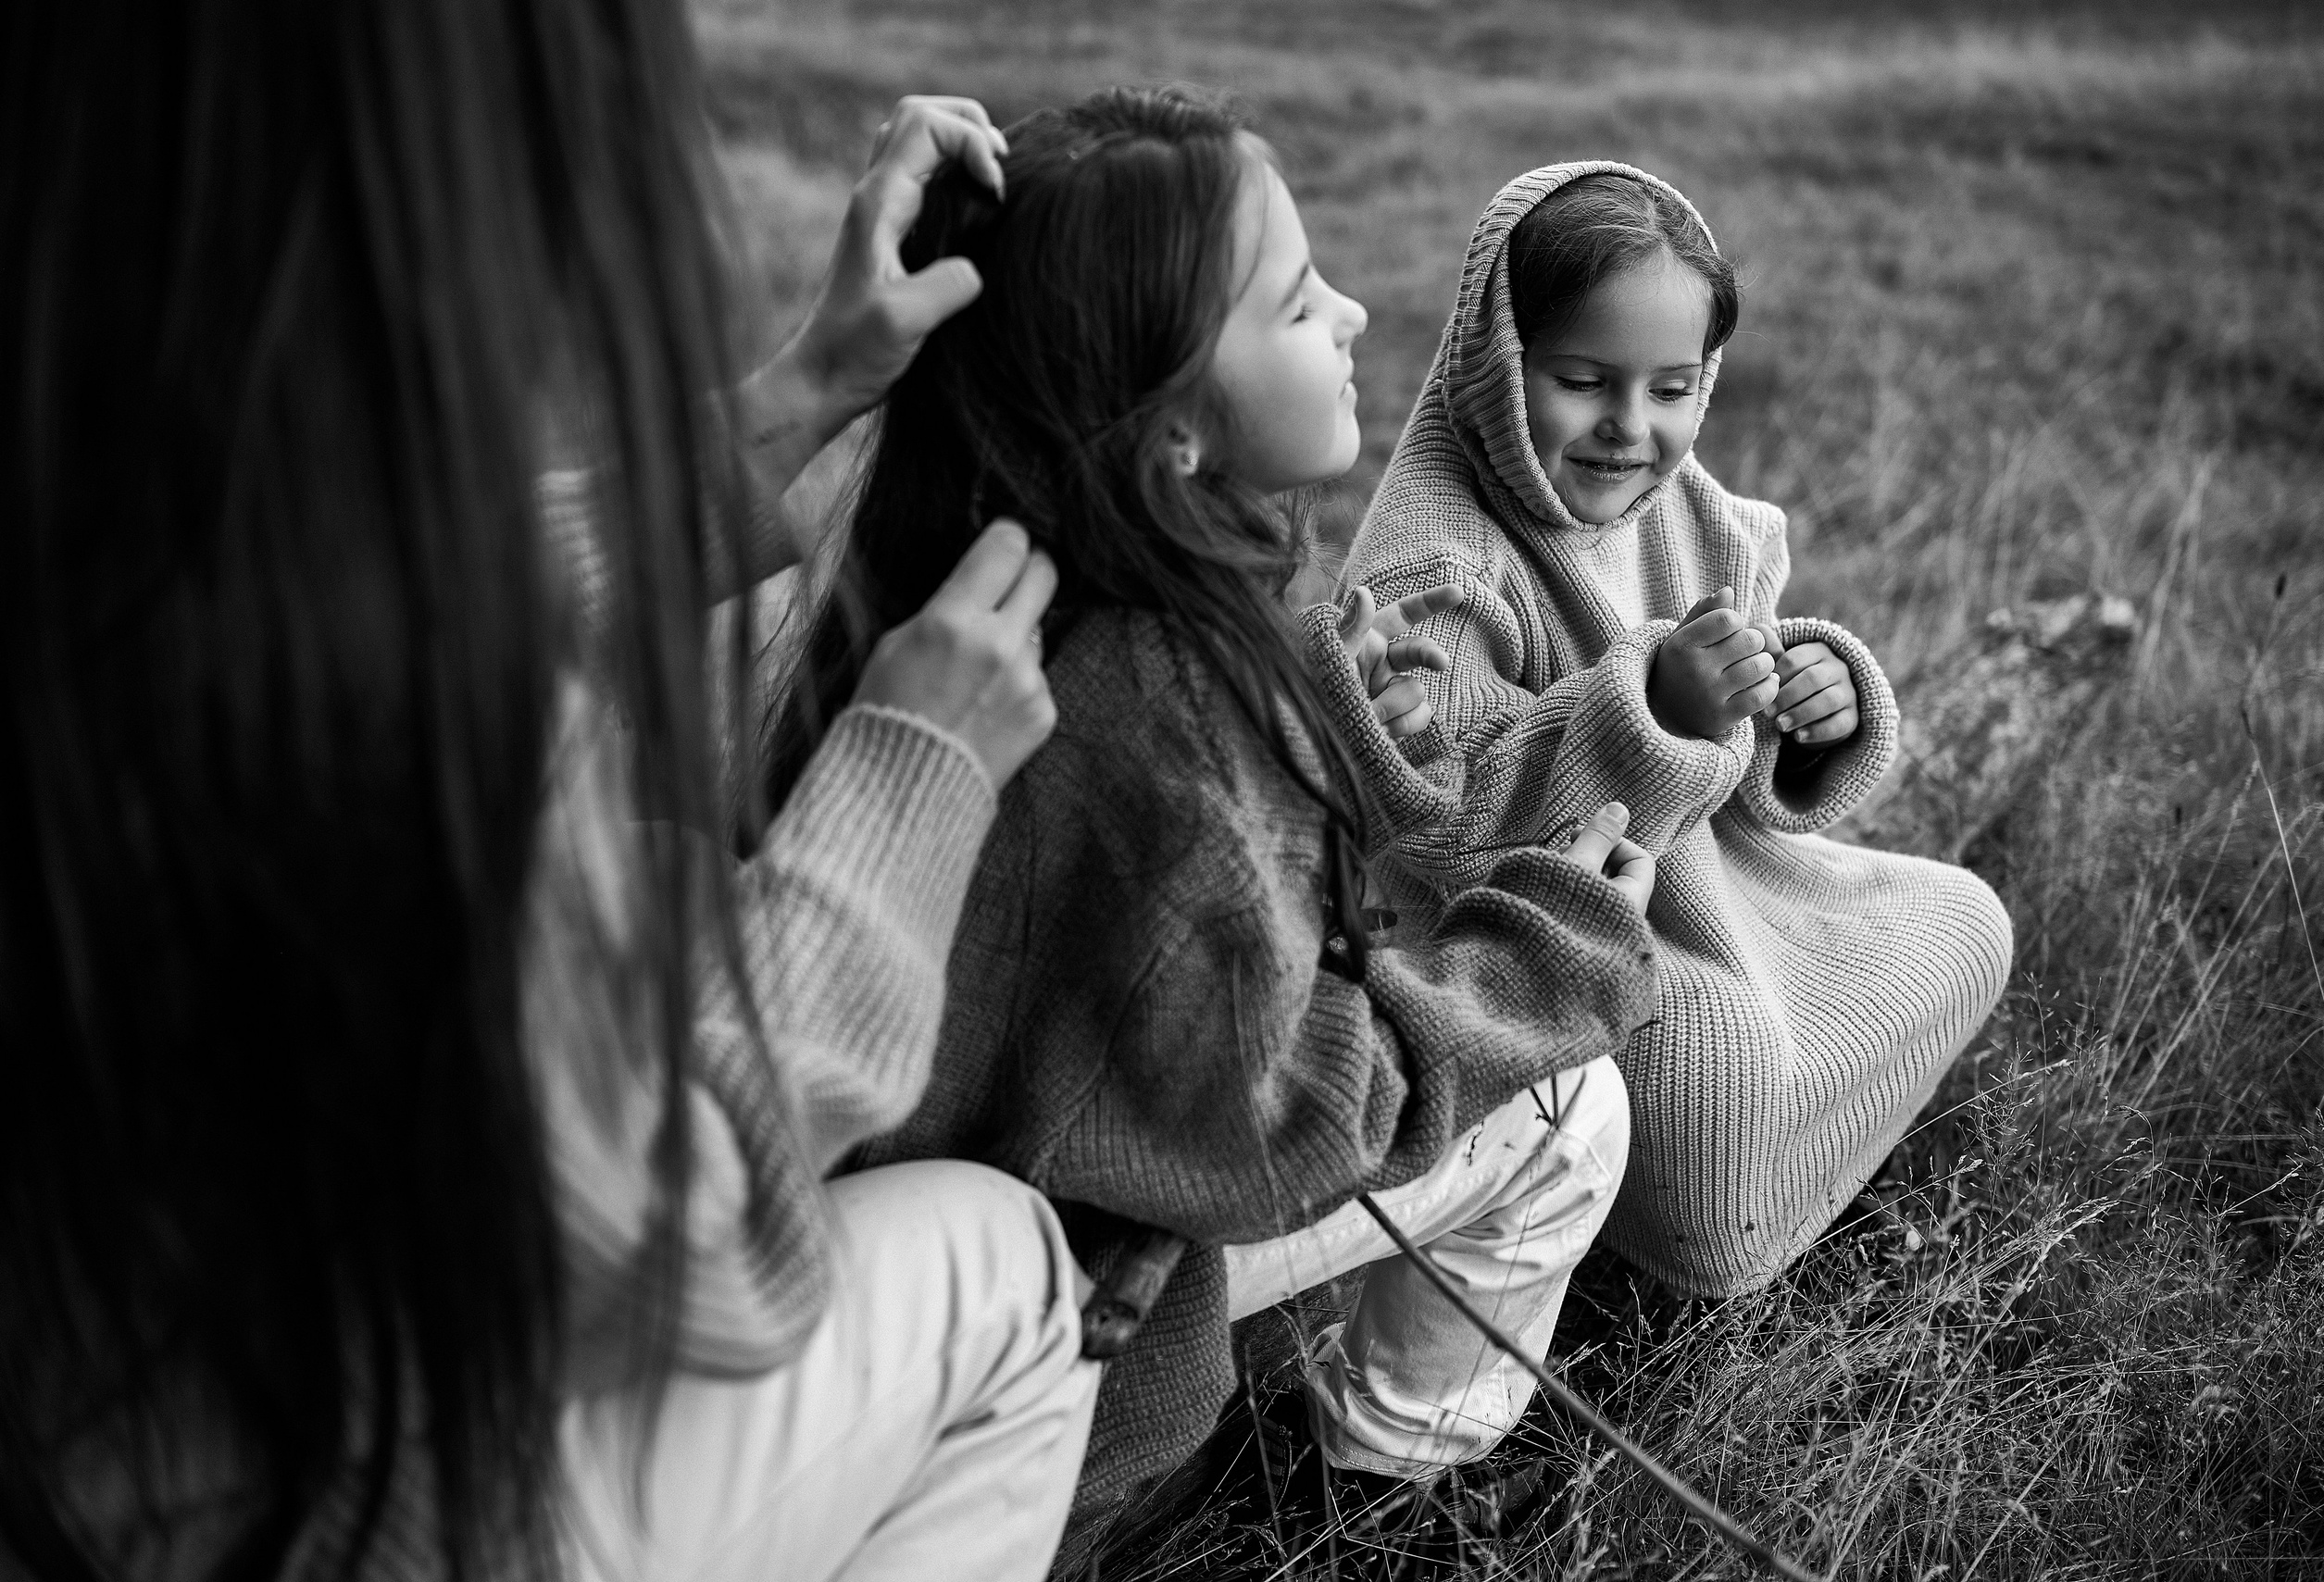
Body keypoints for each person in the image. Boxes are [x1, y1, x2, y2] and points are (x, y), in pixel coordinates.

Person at [1, 0, 1095, 1574]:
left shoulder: (99, 494)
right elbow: (690, 1247)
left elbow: (364, 579)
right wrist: (903, 787)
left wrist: (802, 389)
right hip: (290, 1506)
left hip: (96, 1420)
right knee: (1005, 1270)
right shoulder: (391, 742)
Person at [763, 86, 1664, 1548]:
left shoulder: (960, 578)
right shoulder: (1159, 712)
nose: (1359, 313)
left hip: (919, 1281)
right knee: (1575, 1109)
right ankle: (1371, 1494)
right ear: (1174, 433)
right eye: (1302, 302)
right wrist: (1551, 943)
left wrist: (1311, 714)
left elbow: (1131, 918)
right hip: (1042, 1436)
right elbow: (1305, 1123)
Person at [1341, 163, 2016, 1299]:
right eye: (1583, 380)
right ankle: (1688, 1254)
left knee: (1964, 918)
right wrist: (1654, 710)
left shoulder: (1687, 503)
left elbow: (1745, 765)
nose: (1628, 428)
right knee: (1724, 1075)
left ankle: (1804, 1189)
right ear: (1496, 363)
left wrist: (1806, 695)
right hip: (1544, 923)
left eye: (1670, 388)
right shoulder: (1438, 557)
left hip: (1716, 878)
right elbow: (1444, 824)